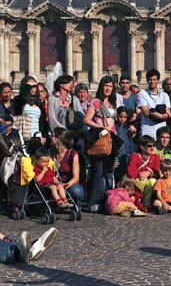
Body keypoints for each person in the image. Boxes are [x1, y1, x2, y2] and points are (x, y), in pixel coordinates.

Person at [83, 76, 121, 213]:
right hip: (99, 141)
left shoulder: (112, 103)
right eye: (106, 86)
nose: (108, 89)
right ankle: (95, 202)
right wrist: (100, 128)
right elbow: (87, 120)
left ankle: (108, 201)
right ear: (101, 87)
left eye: (110, 86)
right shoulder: (96, 102)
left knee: (109, 172)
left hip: (111, 141)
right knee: (98, 172)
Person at [51, 128, 86, 206]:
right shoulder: (51, 153)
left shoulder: (72, 154)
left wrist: (65, 185)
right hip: (56, 184)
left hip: (70, 184)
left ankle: (76, 204)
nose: (50, 138)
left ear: (58, 139)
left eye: (52, 136)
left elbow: (76, 178)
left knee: (77, 191)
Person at [128, 135, 161, 209]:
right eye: (149, 146)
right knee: (141, 180)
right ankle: (136, 203)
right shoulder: (135, 156)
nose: (152, 148)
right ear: (142, 147)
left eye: (153, 146)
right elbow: (131, 173)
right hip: (135, 183)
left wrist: (149, 172)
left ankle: (146, 204)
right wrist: (145, 171)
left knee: (152, 181)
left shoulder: (155, 157)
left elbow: (157, 174)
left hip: (147, 182)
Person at [137, 69, 171, 139]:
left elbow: (169, 113)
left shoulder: (164, 95)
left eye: (154, 79)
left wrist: (161, 116)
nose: (152, 82)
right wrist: (161, 114)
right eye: (150, 79)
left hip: (162, 133)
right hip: (147, 131)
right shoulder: (142, 94)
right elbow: (146, 112)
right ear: (147, 80)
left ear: (158, 81)